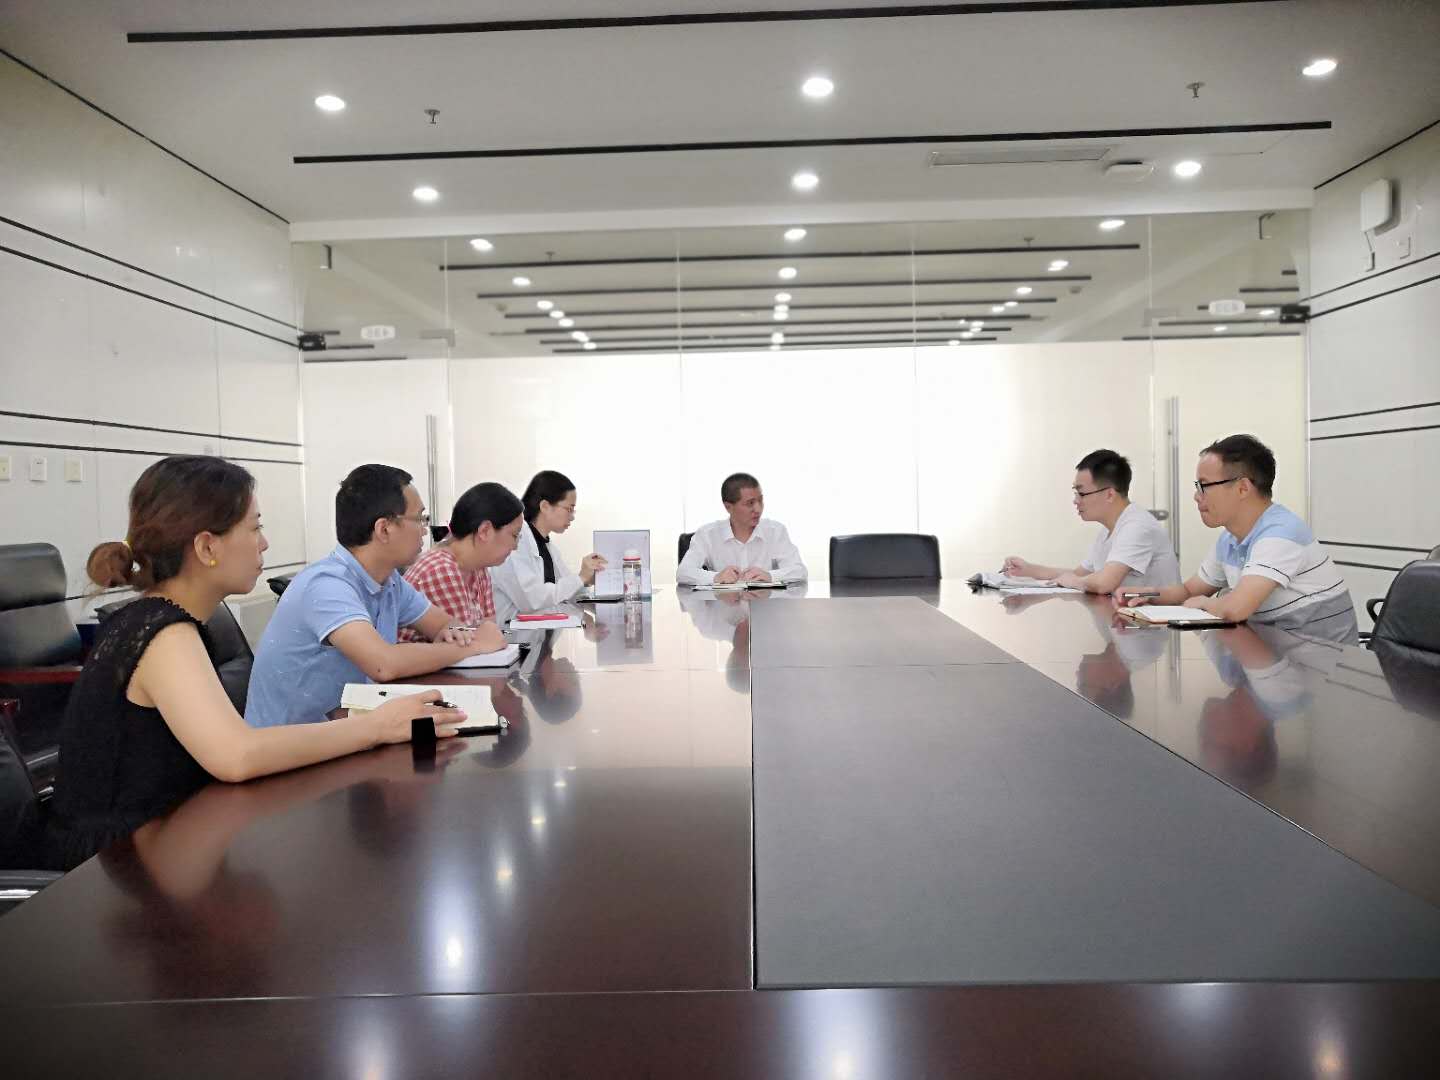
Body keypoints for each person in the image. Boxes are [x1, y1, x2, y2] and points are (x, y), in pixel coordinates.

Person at [49, 456, 466, 866]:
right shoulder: (164, 634)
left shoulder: (163, 620)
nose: (264, 543)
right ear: (207, 547)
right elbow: (238, 756)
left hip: (173, 840)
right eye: (255, 527)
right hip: (114, 867)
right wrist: (378, 726)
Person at [246, 464, 505, 728]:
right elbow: (383, 664)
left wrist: (457, 634)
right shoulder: (326, 585)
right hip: (291, 743)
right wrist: (473, 645)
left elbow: (442, 624)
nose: (425, 530)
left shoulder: (390, 581)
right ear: (384, 529)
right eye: (419, 519)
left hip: (345, 729)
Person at [1115, 434, 1358, 643]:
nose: (1196, 496)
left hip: (1320, 665)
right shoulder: (1230, 538)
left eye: (1204, 486)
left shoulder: (1281, 533)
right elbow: (1188, 590)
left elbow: (1236, 609)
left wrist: (1205, 603)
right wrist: (1148, 594)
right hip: (1278, 652)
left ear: (1243, 488)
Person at [1003, 449, 1180, 594]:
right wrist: (1029, 570)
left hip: (1152, 624)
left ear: (1109, 494)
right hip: (1126, 619)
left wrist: (1075, 582)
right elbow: (1078, 574)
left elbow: (1104, 583)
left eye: (1081, 493)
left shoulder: (1137, 526)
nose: (1076, 500)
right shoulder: (1109, 529)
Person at [399, 482, 523, 642]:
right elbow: (467, 645)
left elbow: (490, 632)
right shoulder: (442, 570)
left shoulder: (479, 568)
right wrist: (487, 638)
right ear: (485, 531)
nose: (516, 546)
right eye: (514, 535)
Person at [492, 470, 606, 625]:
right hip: (511, 634)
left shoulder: (547, 547)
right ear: (545, 506)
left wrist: (587, 582)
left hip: (538, 631)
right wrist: (580, 578)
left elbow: (568, 591)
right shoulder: (515, 541)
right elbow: (531, 601)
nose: (572, 516)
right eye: (569, 509)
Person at [676, 472, 807, 586]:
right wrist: (716, 577)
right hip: (724, 605)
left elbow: (799, 571)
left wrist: (770, 576)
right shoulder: (707, 534)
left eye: (760, 500)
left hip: (765, 605)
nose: (758, 509)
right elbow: (683, 573)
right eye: (750, 503)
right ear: (728, 507)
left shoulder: (775, 531)